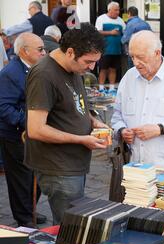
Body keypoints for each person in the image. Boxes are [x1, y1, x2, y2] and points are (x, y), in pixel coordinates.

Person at [24, 23, 109, 225]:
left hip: (73, 163)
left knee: (74, 224)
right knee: (69, 229)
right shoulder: (44, 74)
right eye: (88, 61)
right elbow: (35, 129)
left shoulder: (74, 68)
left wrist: (94, 121)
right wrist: (81, 139)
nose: (92, 68)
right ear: (70, 52)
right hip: (58, 166)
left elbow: (76, 105)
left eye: (96, 62)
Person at [111, 31, 164, 172]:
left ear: (157, 53)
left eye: (140, 57)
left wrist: (160, 129)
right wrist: (121, 130)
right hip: (136, 167)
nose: (135, 63)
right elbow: (117, 115)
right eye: (132, 57)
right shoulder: (128, 77)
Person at [0, 33, 47, 227]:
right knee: (21, 179)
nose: (44, 52)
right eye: (40, 49)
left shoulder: (35, 68)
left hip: (33, 132)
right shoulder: (10, 73)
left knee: (36, 175)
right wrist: (28, 122)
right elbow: (4, 107)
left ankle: (30, 210)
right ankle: (24, 217)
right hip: (16, 134)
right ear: (23, 51)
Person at [95, 1, 126, 95]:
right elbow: (97, 32)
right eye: (116, 10)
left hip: (117, 50)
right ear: (109, 10)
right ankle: (101, 87)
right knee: (103, 69)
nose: (118, 12)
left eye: (118, 10)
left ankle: (112, 88)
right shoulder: (101, 18)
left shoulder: (120, 20)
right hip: (105, 50)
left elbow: (124, 32)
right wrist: (110, 33)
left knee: (113, 69)